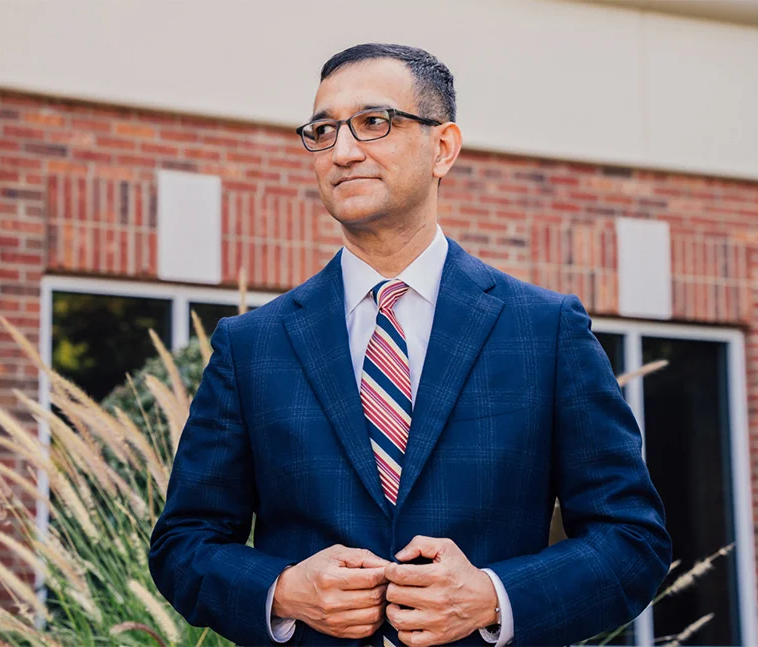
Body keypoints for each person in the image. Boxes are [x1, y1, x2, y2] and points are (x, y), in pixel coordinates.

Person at [148, 43, 671, 647]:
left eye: (373, 123)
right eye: (322, 131)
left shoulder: (545, 329)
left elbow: (632, 540)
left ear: (442, 148)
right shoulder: (251, 344)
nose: (342, 152)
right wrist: (285, 589)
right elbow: (184, 543)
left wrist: (493, 598)